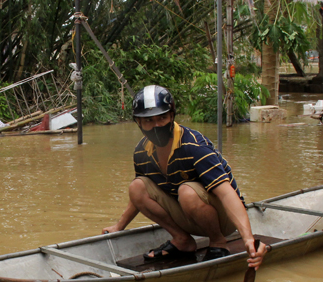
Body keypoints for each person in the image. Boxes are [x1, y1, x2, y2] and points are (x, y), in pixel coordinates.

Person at [103, 85, 268, 269]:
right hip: (187, 213)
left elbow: (227, 194)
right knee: (136, 186)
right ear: (138, 122)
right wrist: (119, 226)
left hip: (223, 220)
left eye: (162, 118)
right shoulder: (142, 151)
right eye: (148, 120)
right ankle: (182, 239)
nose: (156, 126)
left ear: (172, 116)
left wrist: (248, 239)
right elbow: (139, 196)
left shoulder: (194, 146)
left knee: (187, 192)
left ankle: (218, 242)